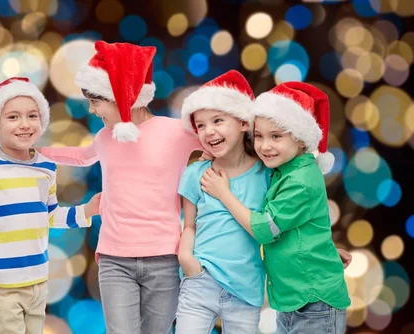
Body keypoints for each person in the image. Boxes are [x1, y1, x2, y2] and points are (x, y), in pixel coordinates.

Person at [37, 41, 203, 333]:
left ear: (121, 96)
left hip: (164, 257)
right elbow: (80, 156)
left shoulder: (176, 132)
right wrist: (33, 153)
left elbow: (217, 145)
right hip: (115, 260)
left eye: (95, 101)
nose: (90, 109)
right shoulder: (105, 136)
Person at [201, 81, 351, 334]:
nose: (265, 146)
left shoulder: (301, 181)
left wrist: (223, 193)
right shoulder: (283, 169)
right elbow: (303, 227)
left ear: (302, 140)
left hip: (314, 302)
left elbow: (265, 229)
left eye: (276, 136)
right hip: (293, 299)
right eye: (259, 136)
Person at [0, 77, 101, 334]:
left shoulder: (46, 167)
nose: (25, 125)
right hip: (0, 284)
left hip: (38, 280)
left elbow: (48, 215)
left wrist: (86, 210)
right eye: (13, 117)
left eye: (32, 116)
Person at [175, 70, 266, 334]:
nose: (208, 131)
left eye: (217, 120)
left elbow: (278, 223)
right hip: (199, 280)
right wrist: (186, 259)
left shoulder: (266, 174)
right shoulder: (195, 173)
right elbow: (189, 225)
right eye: (201, 125)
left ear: (243, 123)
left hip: (246, 288)